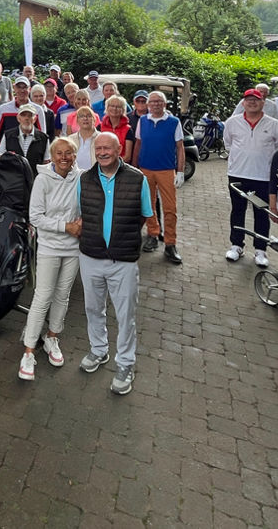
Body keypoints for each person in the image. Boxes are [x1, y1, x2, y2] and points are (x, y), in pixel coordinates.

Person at [76, 131, 153, 396]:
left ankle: (125, 364)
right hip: (90, 256)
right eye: (98, 149)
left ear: (119, 149)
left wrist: (120, 239)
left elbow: (144, 216)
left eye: (108, 148)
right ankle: (99, 351)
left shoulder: (137, 178)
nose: (102, 153)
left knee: (125, 315)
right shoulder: (84, 179)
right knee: (93, 308)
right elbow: (81, 213)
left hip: (124, 259)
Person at [19, 138, 82, 381]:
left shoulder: (82, 177)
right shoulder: (43, 179)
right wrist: (65, 227)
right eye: (59, 153)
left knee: (62, 295)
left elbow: (89, 205)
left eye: (69, 153)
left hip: (73, 248)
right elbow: (35, 216)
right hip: (49, 247)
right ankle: (28, 351)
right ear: (52, 155)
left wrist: (84, 222)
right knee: (42, 296)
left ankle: (52, 338)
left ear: (75, 155)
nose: (64, 157)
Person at [223, 88, 278, 267]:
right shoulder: (232, 122)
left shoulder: (274, 124)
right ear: (243, 103)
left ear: (262, 103)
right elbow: (228, 144)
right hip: (237, 175)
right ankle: (236, 245)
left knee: (261, 213)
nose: (252, 102)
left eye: (256, 100)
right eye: (248, 100)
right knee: (237, 210)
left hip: (263, 177)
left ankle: (260, 249)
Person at [132, 91, 186, 264]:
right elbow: (138, 144)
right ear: (148, 105)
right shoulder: (143, 121)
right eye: (152, 101)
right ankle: (153, 234)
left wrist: (180, 171)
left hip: (166, 170)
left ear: (165, 104)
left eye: (159, 101)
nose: (155, 104)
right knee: (148, 205)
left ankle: (170, 244)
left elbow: (180, 147)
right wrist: (134, 167)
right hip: (145, 169)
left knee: (170, 208)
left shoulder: (174, 122)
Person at [0, 106, 49, 171]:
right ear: (18, 118)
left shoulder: (44, 138)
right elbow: (1, 157)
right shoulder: (7, 135)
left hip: (35, 178)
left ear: (34, 119)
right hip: (13, 178)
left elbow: (46, 162)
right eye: (23, 115)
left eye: (30, 116)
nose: (26, 118)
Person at [64, 105, 100, 171]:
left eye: (89, 116)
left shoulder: (101, 138)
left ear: (94, 120)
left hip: (96, 177)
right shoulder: (70, 140)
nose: (85, 118)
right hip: (75, 177)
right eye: (81, 116)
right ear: (77, 121)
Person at [99, 95, 133, 161]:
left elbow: (127, 156)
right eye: (112, 106)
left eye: (118, 107)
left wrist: (112, 164)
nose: (115, 109)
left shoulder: (128, 130)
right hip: (102, 165)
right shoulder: (100, 127)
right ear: (107, 108)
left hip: (121, 167)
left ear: (123, 110)